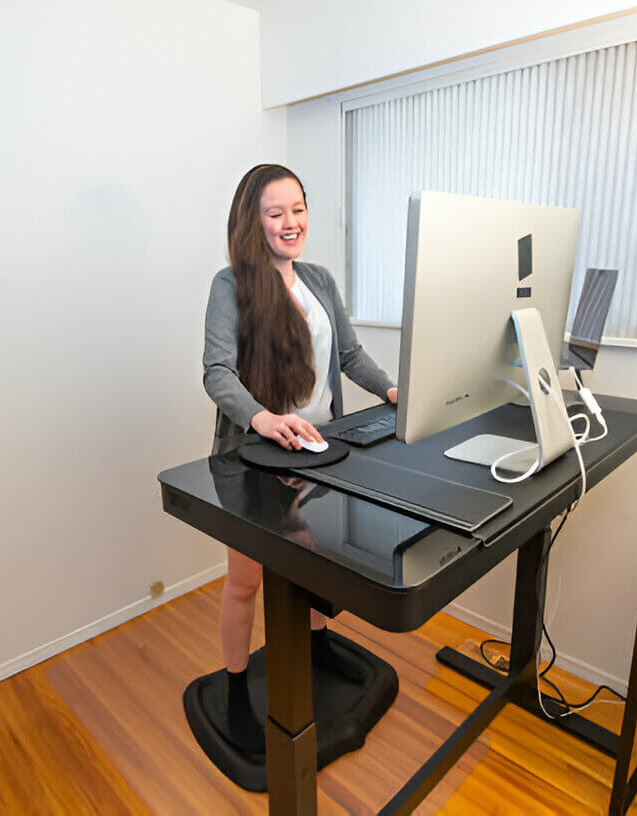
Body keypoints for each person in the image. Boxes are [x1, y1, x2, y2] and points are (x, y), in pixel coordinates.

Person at [202, 163, 397, 752]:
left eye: (298, 209)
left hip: (322, 451)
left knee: (313, 561)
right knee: (245, 582)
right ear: (253, 221)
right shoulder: (230, 285)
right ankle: (236, 690)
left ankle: (315, 651)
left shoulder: (319, 280)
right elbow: (216, 372)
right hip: (255, 455)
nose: (291, 223)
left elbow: (352, 355)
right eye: (276, 212)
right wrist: (262, 417)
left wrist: (392, 390)